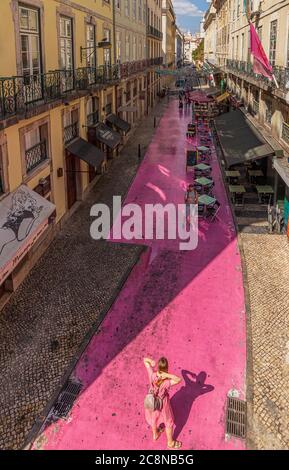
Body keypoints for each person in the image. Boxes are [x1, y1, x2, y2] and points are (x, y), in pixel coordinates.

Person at [144, 357, 182, 449]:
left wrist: (151, 361)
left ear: (158, 367)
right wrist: (167, 375)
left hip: (152, 401)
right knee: (169, 422)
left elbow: (145, 361)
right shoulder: (166, 382)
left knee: (154, 417)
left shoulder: (152, 375)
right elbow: (178, 379)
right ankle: (170, 443)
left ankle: (155, 434)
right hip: (162, 403)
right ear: (166, 369)